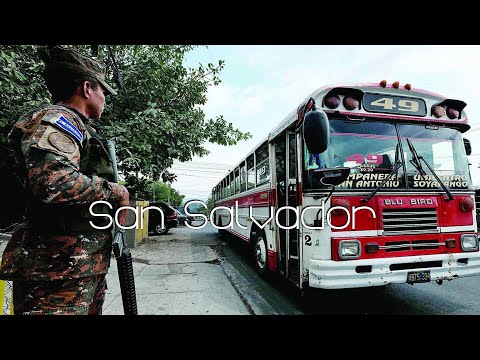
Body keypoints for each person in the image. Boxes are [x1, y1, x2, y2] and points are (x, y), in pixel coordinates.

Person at [0, 46, 130, 315]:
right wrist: (116, 191)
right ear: (86, 89)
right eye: (102, 90)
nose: (105, 97)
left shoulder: (78, 127)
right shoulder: (57, 121)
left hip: (78, 269)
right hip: (55, 273)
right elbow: (54, 182)